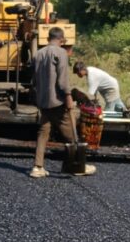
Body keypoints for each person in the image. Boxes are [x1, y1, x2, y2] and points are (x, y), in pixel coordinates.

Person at [30, 27, 97, 178]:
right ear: (61, 40)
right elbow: (62, 80)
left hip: (43, 101)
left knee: (43, 133)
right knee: (71, 134)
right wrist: (68, 98)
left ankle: (37, 167)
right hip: (57, 101)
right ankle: (78, 166)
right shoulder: (61, 53)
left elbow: (34, 79)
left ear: (48, 38)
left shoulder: (38, 54)